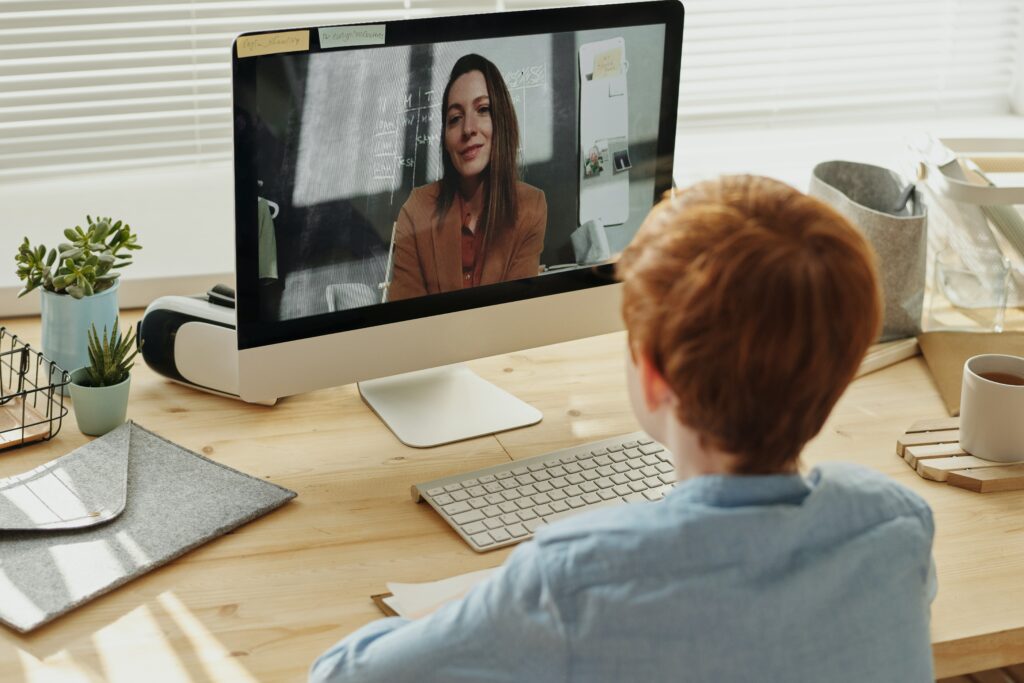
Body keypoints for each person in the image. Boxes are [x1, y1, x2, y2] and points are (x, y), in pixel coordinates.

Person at [310, 175, 937, 682]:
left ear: (656, 378)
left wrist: (481, 613)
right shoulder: (896, 523)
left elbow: (342, 676)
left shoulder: (577, 581)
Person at [387, 54, 547, 301]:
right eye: (455, 118)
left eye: (483, 109)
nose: (468, 129)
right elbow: (406, 321)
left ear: (502, 121)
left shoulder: (531, 206)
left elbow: (515, 314)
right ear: (445, 139)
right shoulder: (416, 210)